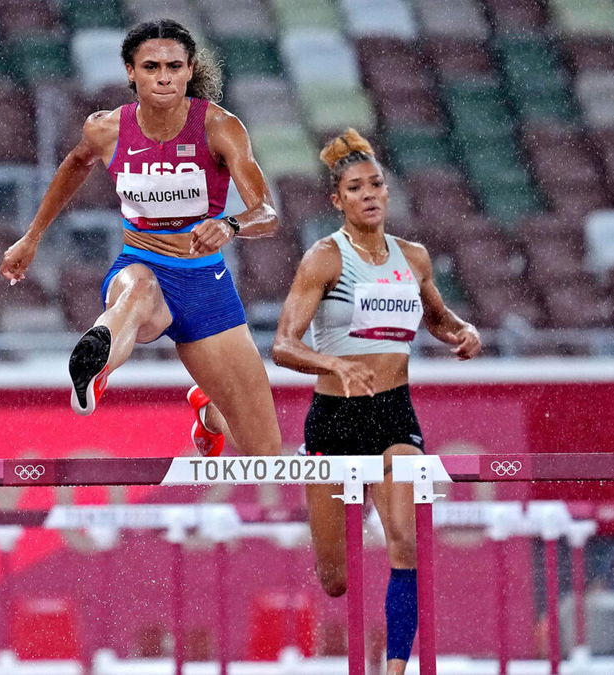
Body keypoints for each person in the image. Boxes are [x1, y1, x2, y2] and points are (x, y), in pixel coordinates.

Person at [189, 129, 482, 673]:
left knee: (405, 543)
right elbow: (282, 346)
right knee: (335, 580)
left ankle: (394, 668)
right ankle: (217, 414)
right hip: (336, 419)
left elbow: (437, 317)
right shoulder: (324, 259)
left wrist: (463, 330)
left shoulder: (413, 258)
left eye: (376, 184)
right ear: (337, 200)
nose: (369, 194)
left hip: (395, 414)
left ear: (387, 192)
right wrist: (333, 363)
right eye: (355, 187)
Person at [0, 18, 282, 455]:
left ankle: (209, 410)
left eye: (174, 66)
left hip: (205, 287)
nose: (164, 76)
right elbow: (75, 164)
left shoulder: (221, 128)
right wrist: (32, 237)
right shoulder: (107, 129)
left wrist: (230, 225)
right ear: (131, 72)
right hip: (142, 265)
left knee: (265, 455)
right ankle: (96, 363)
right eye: (151, 66)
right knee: (136, 292)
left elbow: (267, 213)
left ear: (190, 70)